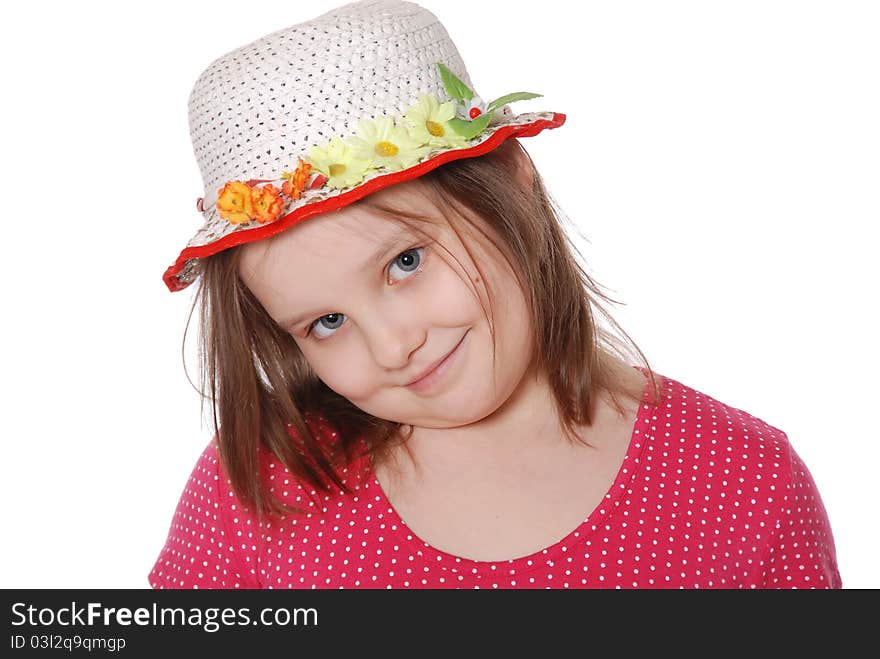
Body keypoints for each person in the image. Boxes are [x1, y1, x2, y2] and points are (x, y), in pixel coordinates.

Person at [149, 0, 841, 589]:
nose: (394, 346)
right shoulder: (255, 492)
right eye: (327, 321)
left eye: (405, 262)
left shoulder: (743, 482)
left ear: (511, 178)